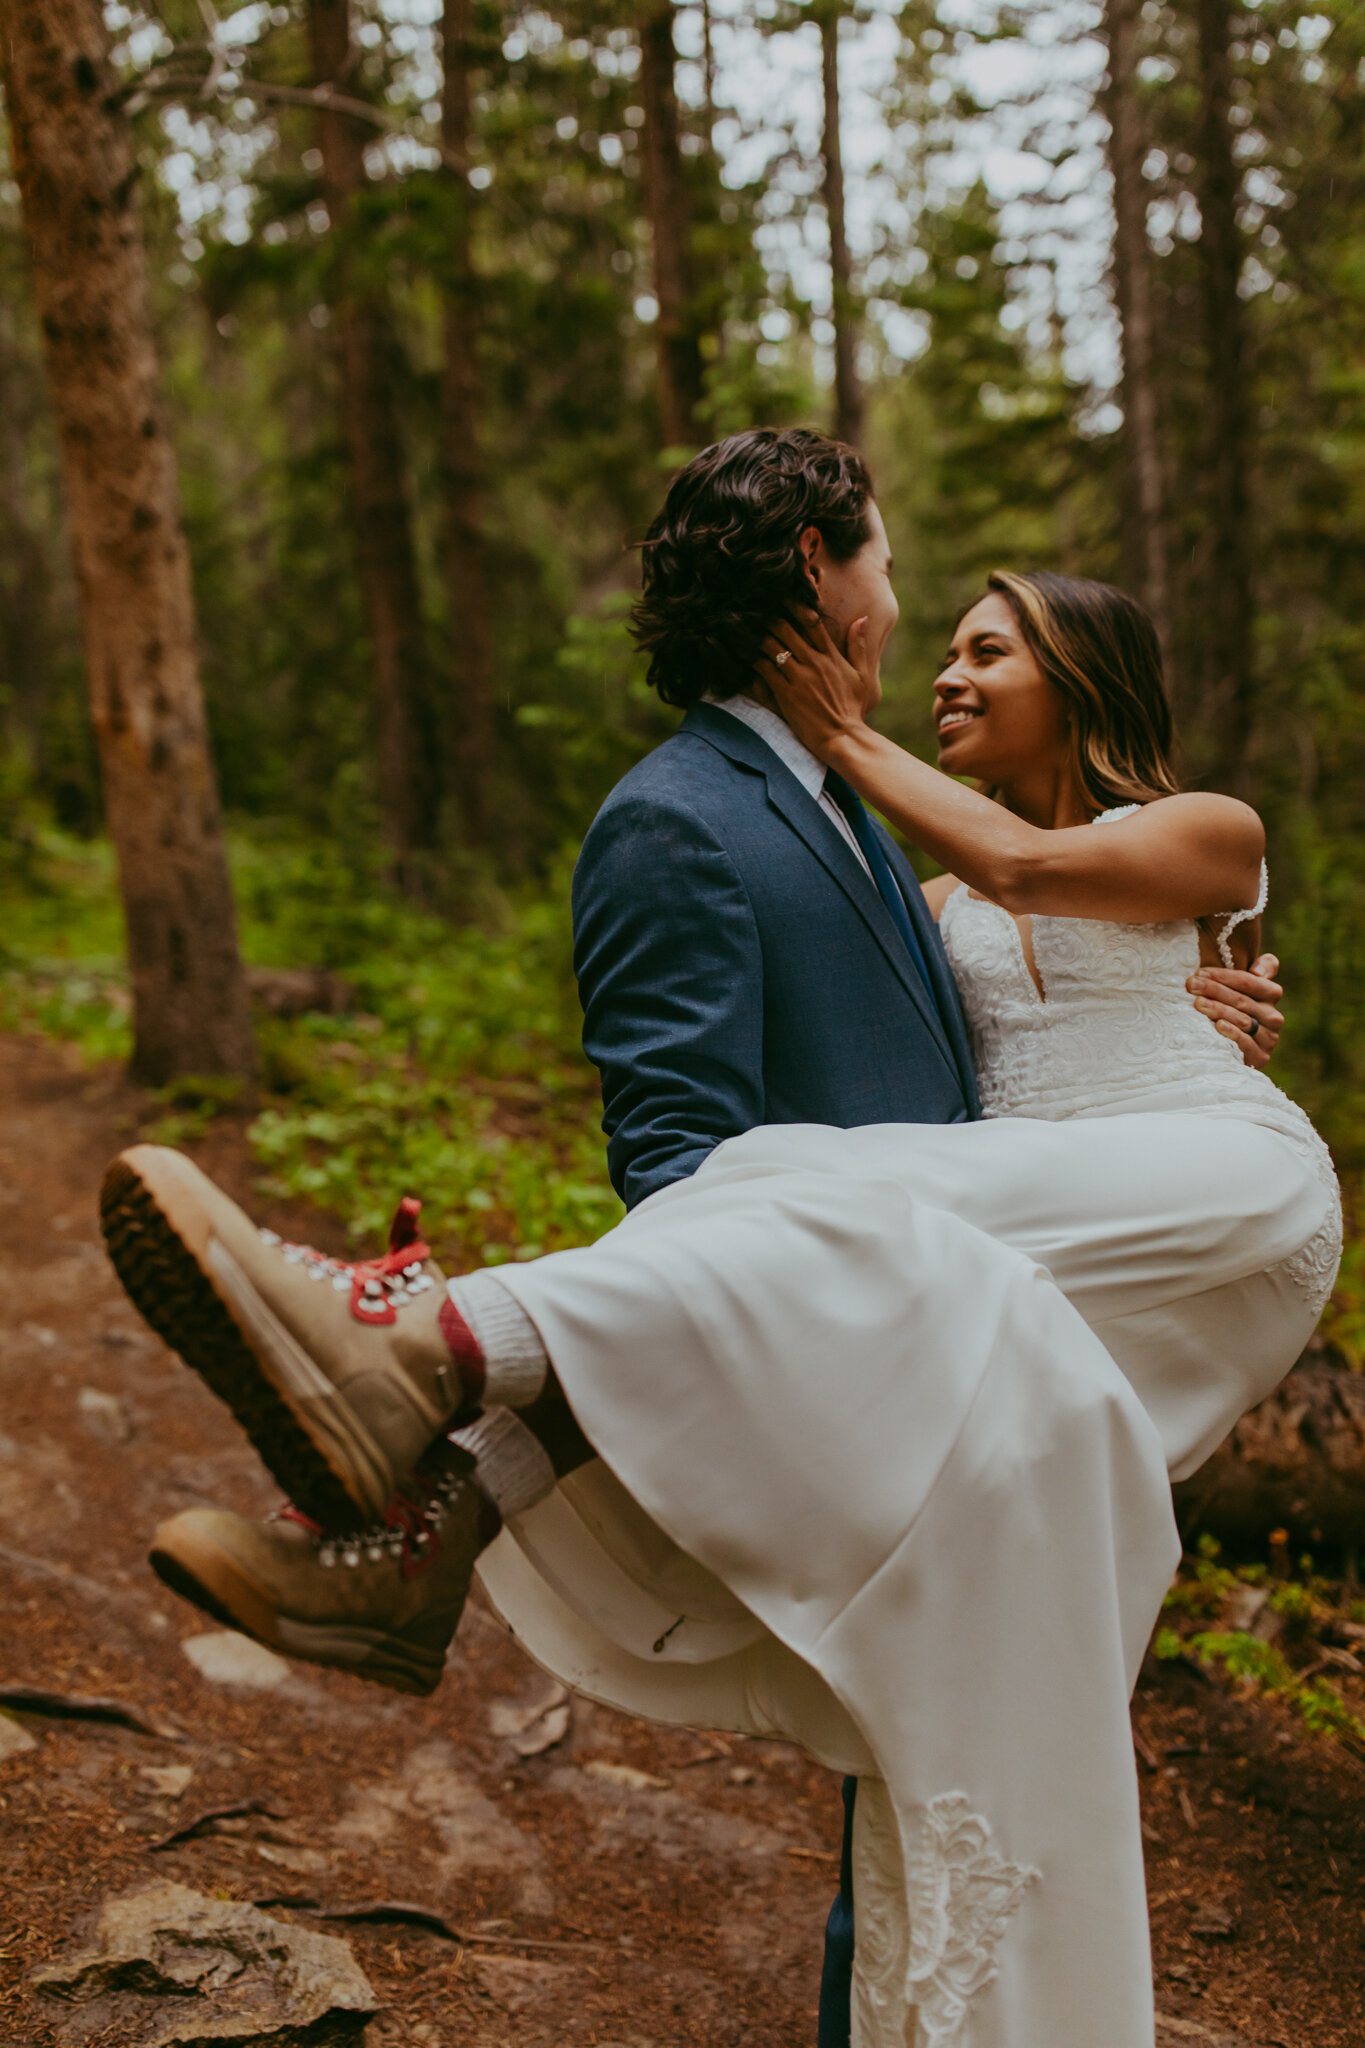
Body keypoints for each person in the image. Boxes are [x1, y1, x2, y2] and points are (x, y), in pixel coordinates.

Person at [100, 437, 1334, 2047]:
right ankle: (440, 1499)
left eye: (986, 643)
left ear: (1079, 671)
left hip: (1180, 1210)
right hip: (983, 1295)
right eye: (912, 596)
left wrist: (1194, 1013)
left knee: (810, 1183)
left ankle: (439, 1358)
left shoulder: (1039, 832)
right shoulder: (708, 823)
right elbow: (700, 1160)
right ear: (821, 571)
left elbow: (1042, 895)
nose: (930, 643)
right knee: (943, 1779)